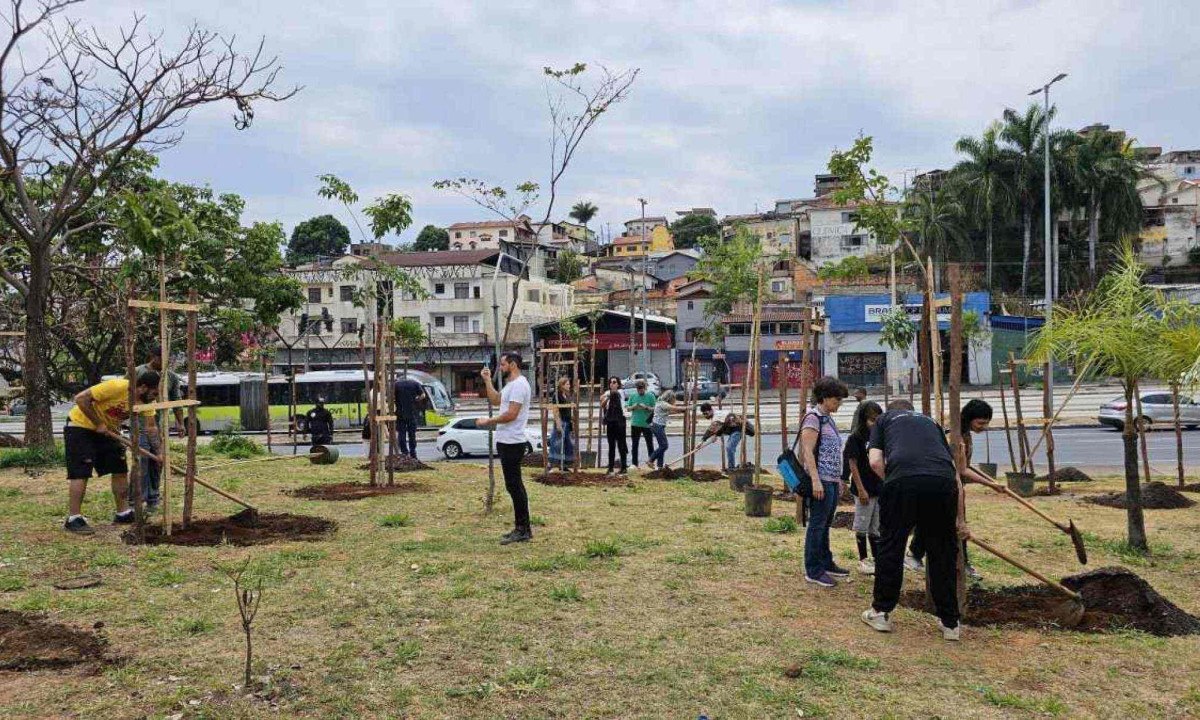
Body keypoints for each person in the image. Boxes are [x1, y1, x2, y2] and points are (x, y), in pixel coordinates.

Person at [862, 399, 968, 642]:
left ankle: (881, 612)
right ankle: (950, 622)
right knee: (942, 550)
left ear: (892, 411)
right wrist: (960, 520)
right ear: (912, 410)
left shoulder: (883, 420)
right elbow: (954, 472)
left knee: (892, 546)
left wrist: (893, 480)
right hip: (943, 483)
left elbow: (875, 461)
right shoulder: (932, 423)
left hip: (902, 480)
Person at [907, 398, 994, 579]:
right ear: (970, 418)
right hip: (943, 482)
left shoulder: (965, 434)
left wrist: (991, 482)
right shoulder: (954, 437)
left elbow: (965, 466)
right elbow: (961, 470)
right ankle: (922, 555)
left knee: (935, 519)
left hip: (950, 482)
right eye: (980, 422)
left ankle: (921, 554)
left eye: (986, 423)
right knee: (956, 523)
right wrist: (989, 484)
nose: (983, 427)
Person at [64, 373, 160, 534]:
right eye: (154, 393)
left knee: (119, 468)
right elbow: (80, 399)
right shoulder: (118, 386)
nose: (155, 397)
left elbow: (151, 427)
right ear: (143, 387)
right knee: (81, 472)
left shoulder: (147, 402)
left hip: (107, 430)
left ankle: (123, 513)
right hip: (79, 426)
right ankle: (74, 518)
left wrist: (159, 453)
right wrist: (98, 423)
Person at [477, 353, 534, 545]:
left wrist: (489, 421)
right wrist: (487, 381)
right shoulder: (511, 384)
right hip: (506, 441)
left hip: (513, 442)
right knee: (513, 485)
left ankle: (523, 529)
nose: (500, 367)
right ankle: (522, 527)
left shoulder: (520, 385)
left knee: (515, 486)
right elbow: (496, 401)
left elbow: (511, 414)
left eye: (502, 364)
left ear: (513, 364)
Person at [800, 376, 850, 588]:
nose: (839, 403)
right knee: (817, 525)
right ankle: (813, 569)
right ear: (826, 398)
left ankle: (826, 562)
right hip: (820, 480)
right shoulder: (813, 418)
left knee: (825, 524)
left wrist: (838, 479)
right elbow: (808, 452)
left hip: (830, 479)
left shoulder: (827, 418)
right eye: (837, 399)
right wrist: (816, 480)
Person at [132, 346, 184, 510]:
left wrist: (180, 423)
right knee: (142, 461)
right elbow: (127, 393)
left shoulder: (171, 377)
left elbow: (177, 401)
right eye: (163, 358)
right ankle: (135, 499)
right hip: (139, 425)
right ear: (153, 357)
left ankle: (153, 498)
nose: (166, 362)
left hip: (159, 425)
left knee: (158, 461)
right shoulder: (138, 372)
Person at [844, 401, 884, 575]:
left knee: (875, 527)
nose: (874, 424)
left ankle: (876, 558)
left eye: (877, 420)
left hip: (878, 488)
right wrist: (860, 489)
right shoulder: (856, 438)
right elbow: (852, 463)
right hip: (864, 488)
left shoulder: (880, 437)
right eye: (871, 420)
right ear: (863, 420)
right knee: (862, 524)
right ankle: (863, 559)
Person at [699, 403, 754, 469]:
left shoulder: (717, 416)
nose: (705, 416)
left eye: (706, 413)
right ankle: (731, 468)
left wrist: (702, 441)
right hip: (733, 430)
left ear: (711, 411)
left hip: (737, 429)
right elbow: (722, 427)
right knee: (729, 448)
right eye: (704, 414)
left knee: (729, 448)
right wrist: (715, 435)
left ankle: (731, 468)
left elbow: (711, 430)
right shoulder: (716, 416)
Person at [646, 391, 684, 469]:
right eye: (673, 399)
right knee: (664, 445)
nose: (674, 401)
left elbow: (670, 411)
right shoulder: (663, 403)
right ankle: (650, 460)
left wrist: (681, 410)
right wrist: (688, 408)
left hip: (658, 426)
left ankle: (660, 466)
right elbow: (674, 408)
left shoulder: (661, 403)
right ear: (670, 398)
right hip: (657, 426)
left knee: (661, 446)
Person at [599, 377, 628, 476]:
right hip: (611, 421)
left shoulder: (621, 392)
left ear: (618, 384)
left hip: (620, 421)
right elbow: (602, 403)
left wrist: (610, 394)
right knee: (611, 445)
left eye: (614, 382)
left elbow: (618, 395)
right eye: (611, 382)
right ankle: (610, 468)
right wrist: (607, 397)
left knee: (621, 445)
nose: (612, 384)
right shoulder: (607, 393)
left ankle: (624, 468)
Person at [625, 380, 656, 467]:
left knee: (649, 444)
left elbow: (655, 408)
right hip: (635, 424)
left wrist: (646, 407)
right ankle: (635, 464)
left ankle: (651, 462)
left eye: (641, 389)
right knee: (635, 444)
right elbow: (627, 408)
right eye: (638, 389)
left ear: (645, 388)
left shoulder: (650, 396)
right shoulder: (633, 396)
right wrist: (633, 407)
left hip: (647, 424)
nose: (640, 391)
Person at [394, 375, 426, 457]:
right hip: (412, 412)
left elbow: (391, 397)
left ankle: (404, 452)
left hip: (400, 413)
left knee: (402, 433)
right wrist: (416, 399)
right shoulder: (415, 383)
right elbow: (423, 395)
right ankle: (413, 452)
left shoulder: (396, 385)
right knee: (412, 434)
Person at [548, 376, 577, 466]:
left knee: (568, 443)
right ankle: (555, 463)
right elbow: (555, 409)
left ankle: (564, 464)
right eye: (567, 384)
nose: (569, 386)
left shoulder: (567, 395)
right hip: (561, 421)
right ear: (562, 385)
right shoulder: (557, 395)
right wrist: (558, 423)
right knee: (558, 443)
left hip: (568, 422)